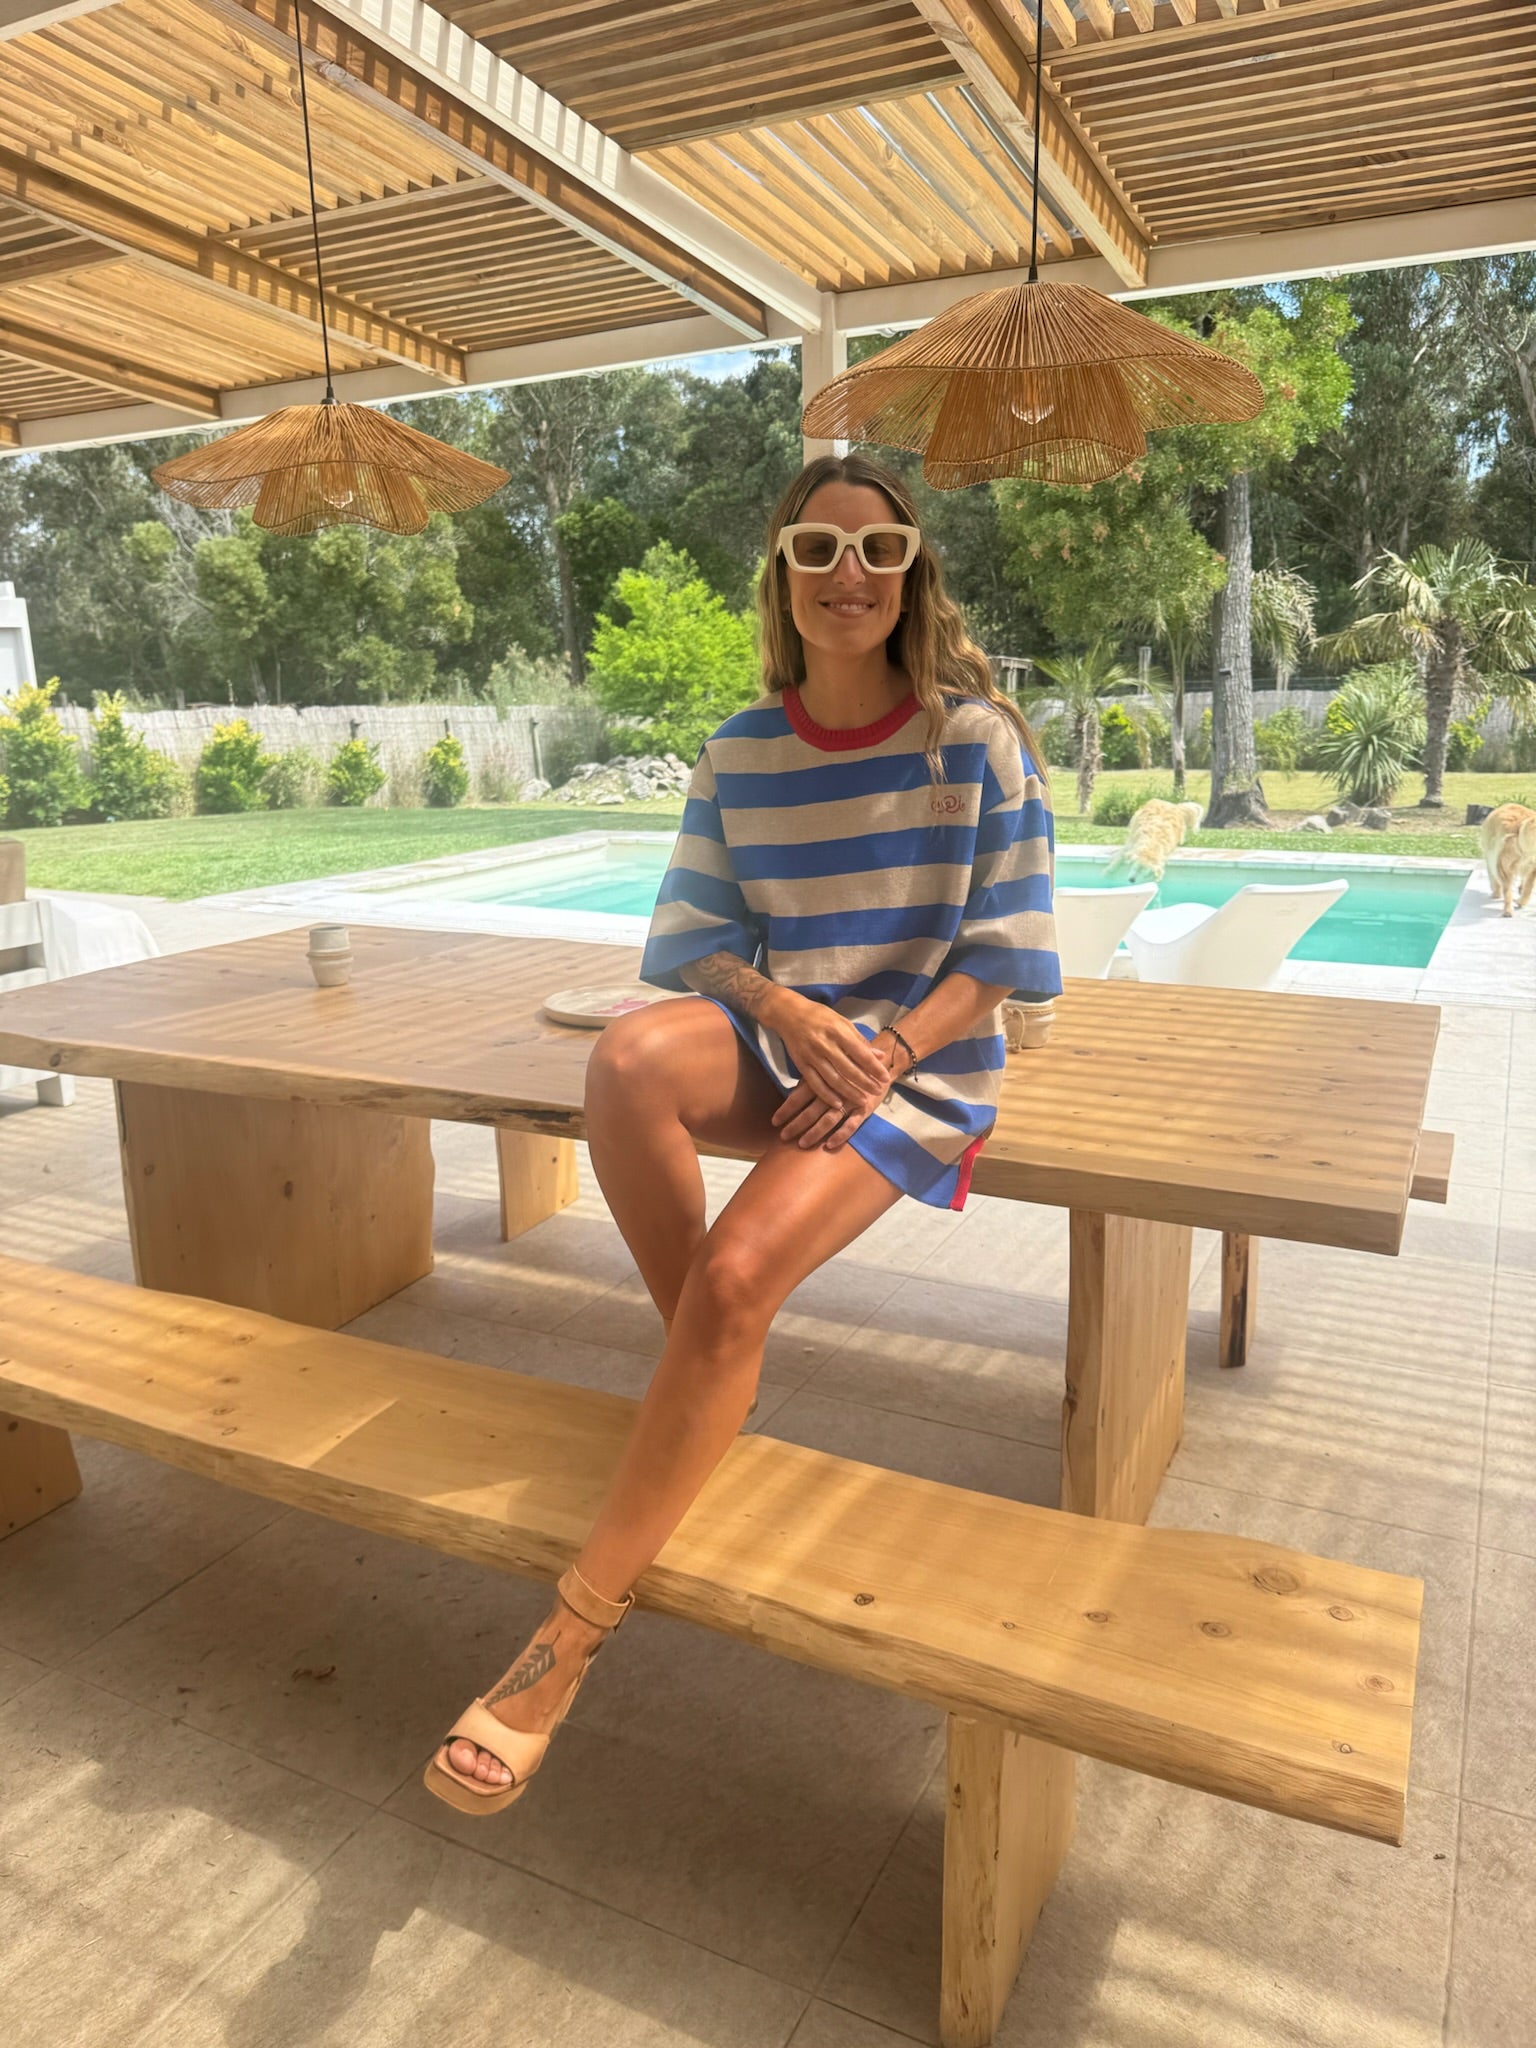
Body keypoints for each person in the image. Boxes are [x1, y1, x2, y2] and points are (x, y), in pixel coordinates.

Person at [425, 452, 1060, 1814]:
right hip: (790, 1037)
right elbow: (692, 945)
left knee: (733, 1278)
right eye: (817, 549)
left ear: (913, 574)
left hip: (918, 1062)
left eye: (879, 550)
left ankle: (566, 1640)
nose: (849, 574)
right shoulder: (742, 750)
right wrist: (785, 1007)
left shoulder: (975, 741)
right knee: (626, 1058)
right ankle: (710, 1374)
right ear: (782, 575)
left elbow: (1004, 959)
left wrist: (883, 1052)